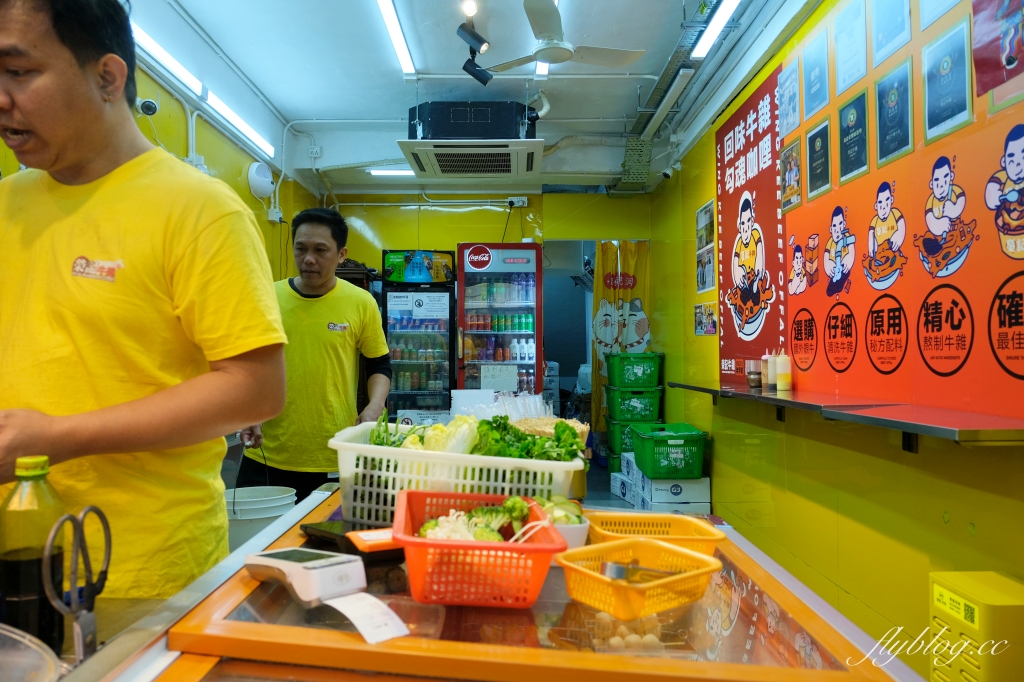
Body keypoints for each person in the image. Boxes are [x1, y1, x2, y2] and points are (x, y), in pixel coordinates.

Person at [0, 0, 286, 599]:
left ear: (107, 76)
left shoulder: (199, 210)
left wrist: (55, 437)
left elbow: (256, 387)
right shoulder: (6, 203)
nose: (2, 98)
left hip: (135, 572)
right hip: (13, 553)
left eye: (18, 72)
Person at [239, 209, 392, 500]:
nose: (309, 258)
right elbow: (250, 361)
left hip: (333, 453)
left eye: (320, 250)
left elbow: (378, 363)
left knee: (328, 540)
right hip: (266, 454)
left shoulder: (361, 303)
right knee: (260, 542)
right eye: (301, 248)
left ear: (341, 254)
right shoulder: (267, 297)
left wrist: (374, 406)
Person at [925, 156, 966, 255]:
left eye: (945, 177)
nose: (941, 185)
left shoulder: (954, 190)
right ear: (931, 184)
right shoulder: (931, 200)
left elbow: (962, 200)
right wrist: (938, 225)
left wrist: (954, 209)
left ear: (951, 177)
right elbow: (929, 219)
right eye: (937, 180)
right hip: (939, 238)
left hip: (957, 234)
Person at [731, 191, 764, 306]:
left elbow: (759, 253)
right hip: (745, 282)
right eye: (743, 223)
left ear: (752, 221)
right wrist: (737, 271)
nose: (746, 228)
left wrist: (758, 271)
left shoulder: (755, 234)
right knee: (744, 297)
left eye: (749, 221)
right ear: (739, 227)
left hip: (754, 279)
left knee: (756, 296)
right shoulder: (739, 243)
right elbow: (735, 263)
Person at [868, 182, 906, 259]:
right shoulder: (874, 221)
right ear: (876, 206)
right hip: (879, 258)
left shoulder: (895, 213)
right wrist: (872, 245)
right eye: (880, 203)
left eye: (887, 200)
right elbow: (871, 235)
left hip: (894, 255)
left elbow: (901, 225)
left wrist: (898, 235)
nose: (884, 207)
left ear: (891, 200)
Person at [824, 206, 856, 297]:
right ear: (831, 229)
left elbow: (851, 250)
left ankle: (842, 281)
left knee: (845, 273)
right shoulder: (830, 242)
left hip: (844, 269)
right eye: (834, 226)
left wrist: (848, 259)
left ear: (844, 225)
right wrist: (828, 265)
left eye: (840, 224)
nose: (837, 230)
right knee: (830, 290)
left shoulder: (847, 237)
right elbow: (826, 257)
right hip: (835, 272)